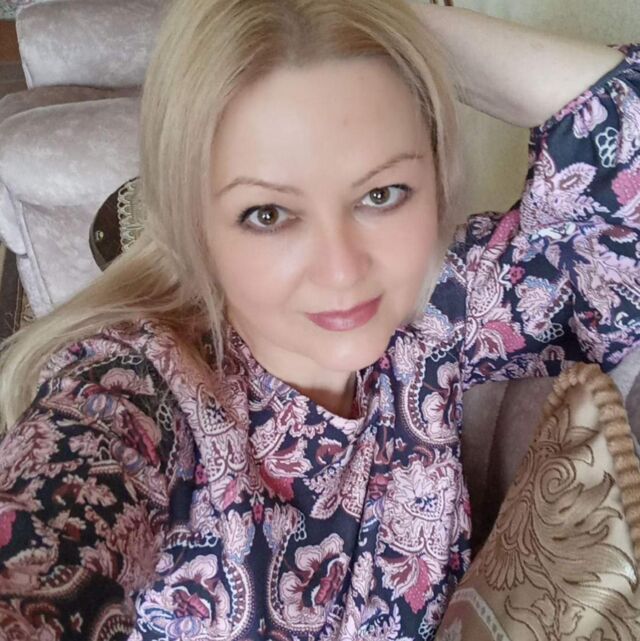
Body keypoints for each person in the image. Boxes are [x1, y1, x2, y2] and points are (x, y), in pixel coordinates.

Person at [0, 0, 638, 638]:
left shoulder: (436, 315)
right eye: (269, 214)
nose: (341, 271)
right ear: (195, 225)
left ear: (437, 183)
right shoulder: (139, 389)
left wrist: (390, 20)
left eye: (381, 194)